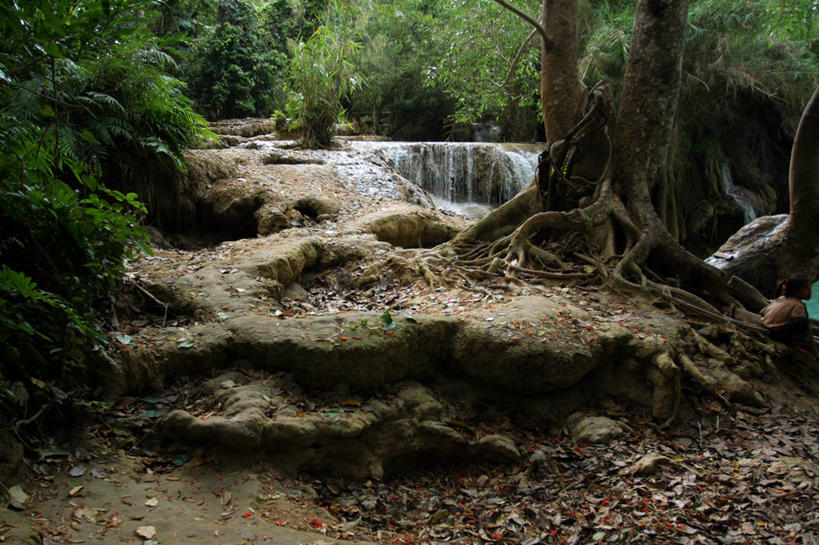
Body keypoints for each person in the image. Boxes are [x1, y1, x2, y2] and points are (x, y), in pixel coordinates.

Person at [760, 274, 819, 357]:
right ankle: (797, 345)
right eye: (806, 288)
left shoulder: (781, 298)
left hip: (765, 327)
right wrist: (816, 353)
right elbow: (808, 330)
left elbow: (762, 311)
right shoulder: (798, 305)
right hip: (777, 335)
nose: (810, 291)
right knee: (803, 321)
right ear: (796, 291)